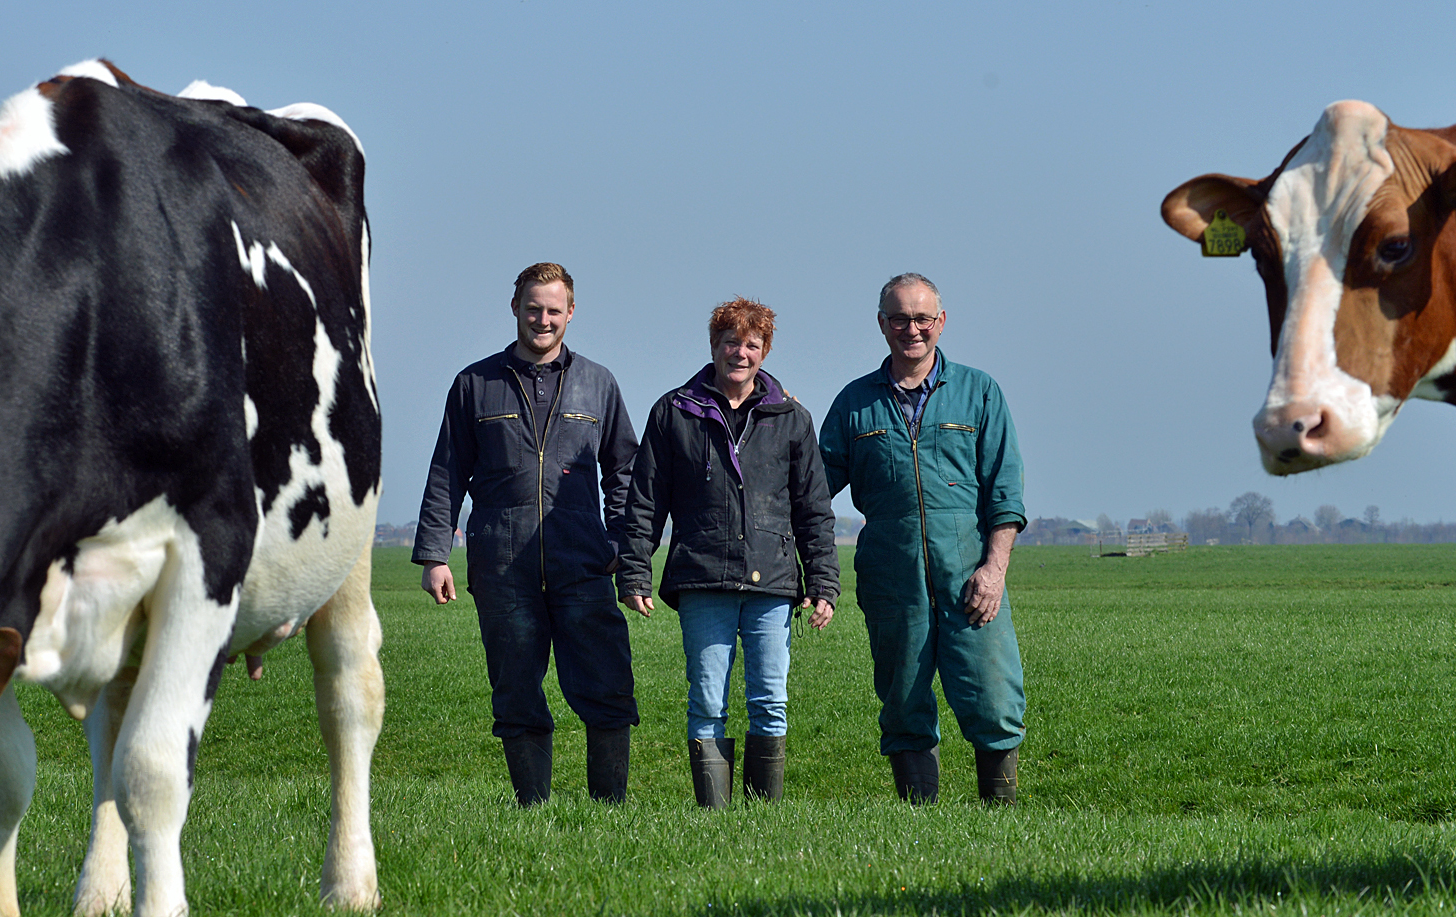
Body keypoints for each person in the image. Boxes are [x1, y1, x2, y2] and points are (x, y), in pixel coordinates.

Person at [413, 263, 640, 805]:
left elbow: (625, 473)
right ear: (514, 306)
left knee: (607, 685)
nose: (543, 319)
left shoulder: (599, 383)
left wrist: (619, 543)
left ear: (571, 312)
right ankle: (532, 808)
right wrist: (434, 555)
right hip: (502, 566)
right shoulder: (475, 383)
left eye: (553, 310)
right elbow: (447, 471)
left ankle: (609, 811)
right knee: (515, 689)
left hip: (584, 563)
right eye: (533, 308)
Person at [619, 298, 839, 808]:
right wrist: (634, 572)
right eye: (731, 343)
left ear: (764, 352)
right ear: (714, 346)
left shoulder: (792, 417)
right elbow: (646, 499)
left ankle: (763, 815)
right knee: (707, 701)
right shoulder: (673, 412)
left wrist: (823, 583)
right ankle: (714, 817)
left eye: (752, 345)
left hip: (774, 583)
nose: (740, 353)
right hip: (702, 577)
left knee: (770, 702)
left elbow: (813, 509)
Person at [818, 273, 1028, 804]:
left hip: (970, 574)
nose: (911, 329)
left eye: (922, 318)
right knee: (903, 700)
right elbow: (812, 488)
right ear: (882, 324)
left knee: (994, 697)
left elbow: (1005, 491)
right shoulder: (854, 403)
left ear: (940, 322)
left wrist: (994, 569)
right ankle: (919, 822)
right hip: (892, 576)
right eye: (898, 318)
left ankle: (1000, 819)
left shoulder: (979, 392)